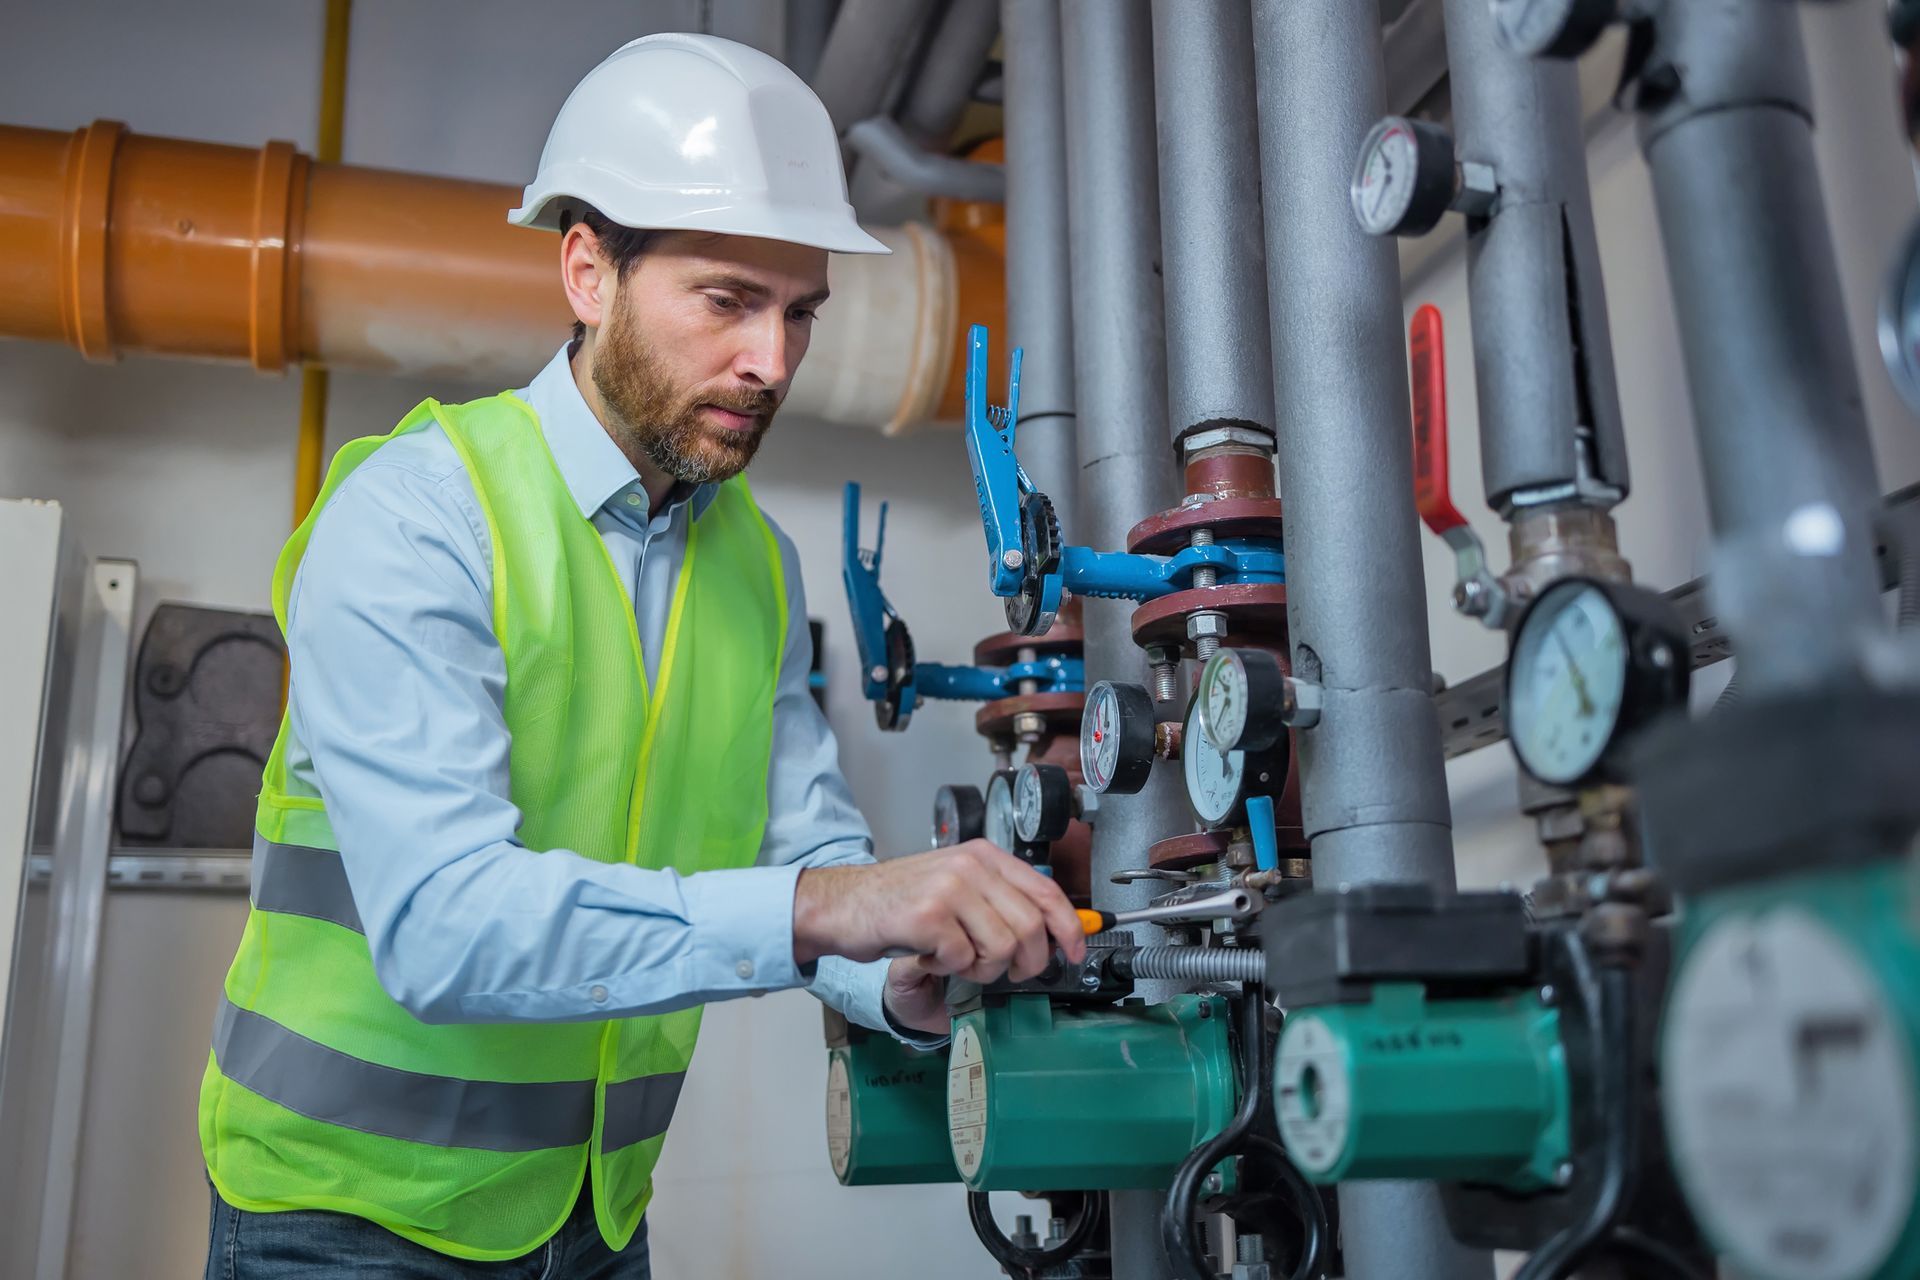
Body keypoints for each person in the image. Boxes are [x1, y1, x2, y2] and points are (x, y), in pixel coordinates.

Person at [199, 32, 1082, 1278]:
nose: (772, 362)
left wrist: (893, 975)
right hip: (342, 1223)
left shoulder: (755, 566)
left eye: (800, 314)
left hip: (597, 1225)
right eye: (727, 300)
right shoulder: (418, 516)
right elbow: (446, 926)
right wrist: (837, 906)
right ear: (587, 271)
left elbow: (799, 847)